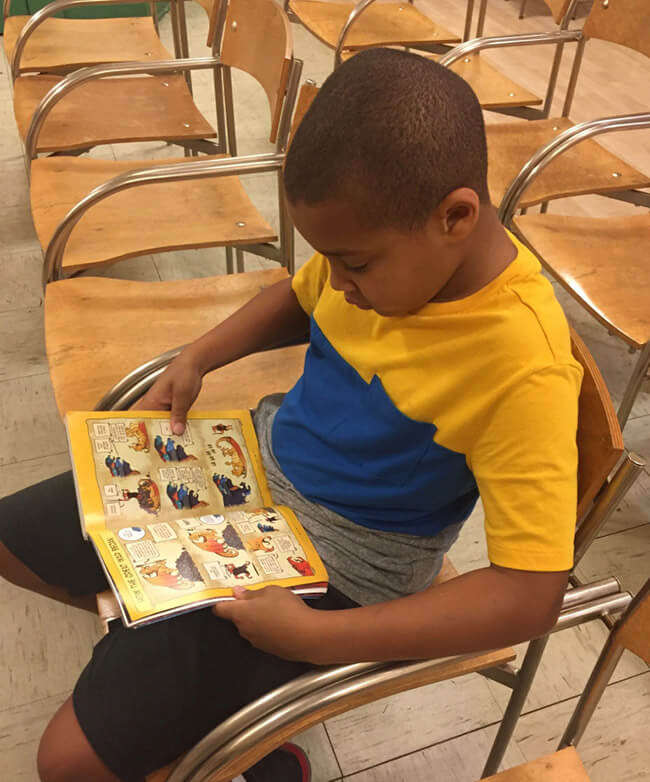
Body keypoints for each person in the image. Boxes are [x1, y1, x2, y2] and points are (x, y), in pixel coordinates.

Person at [0, 49, 582, 782]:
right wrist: (197, 358)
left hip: (342, 569)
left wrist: (313, 641)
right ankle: (174, 661)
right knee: (11, 542)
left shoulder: (524, 362)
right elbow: (303, 297)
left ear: (456, 217)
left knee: (66, 764)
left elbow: (529, 595)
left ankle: (248, 747)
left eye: (356, 265)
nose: (340, 283)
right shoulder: (375, 254)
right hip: (250, 476)